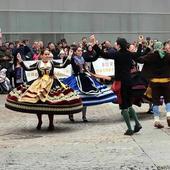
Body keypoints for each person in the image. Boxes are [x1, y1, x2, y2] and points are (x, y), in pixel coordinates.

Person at [5, 49, 83, 130]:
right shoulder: (38, 63)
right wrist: (20, 60)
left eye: (48, 54)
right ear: (41, 55)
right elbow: (28, 68)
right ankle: (40, 121)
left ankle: (51, 123)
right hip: (39, 84)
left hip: (51, 83)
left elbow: (63, 65)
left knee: (51, 103)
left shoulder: (52, 62)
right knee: (37, 102)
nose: (47, 56)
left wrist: (69, 56)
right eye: (45, 54)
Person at [93, 36, 142, 135]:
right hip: (129, 81)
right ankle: (137, 123)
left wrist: (94, 44)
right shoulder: (129, 54)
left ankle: (129, 129)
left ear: (119, 45)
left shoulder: (117, 54)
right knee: (129, 104)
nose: (115, 44)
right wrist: (140, 43)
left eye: (116, 43)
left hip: (121, 83)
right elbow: (138, 54)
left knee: (123, 106)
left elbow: (103, 54)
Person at [63, 46, 117, 122]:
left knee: (85, 97)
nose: (80, 52)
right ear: (75, 52)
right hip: (75, 79)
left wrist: (98, 51)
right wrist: (69, 55)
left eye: (81, 50)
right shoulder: (72, 59)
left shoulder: (83, 58)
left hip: (84, 78)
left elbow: (93, 59)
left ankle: (84, 116)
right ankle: (71, 114)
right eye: (78, 51)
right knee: (73, 97)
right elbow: (65, 63)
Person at [136, 41, 170, 128]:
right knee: (168, 99)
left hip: (154, 82)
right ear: (162, 47)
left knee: (155, 101)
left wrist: (145, 50)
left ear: (154, 47)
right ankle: (169, 115)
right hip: (166, 81)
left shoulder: (150, 56)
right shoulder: (168, 55)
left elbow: (139, 59)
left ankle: (156, 119)